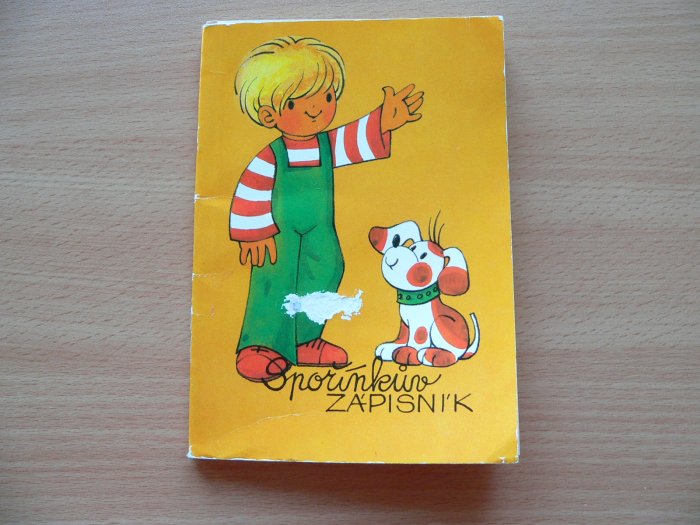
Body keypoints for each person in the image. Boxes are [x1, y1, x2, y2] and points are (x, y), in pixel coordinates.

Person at [230, 36, 423, 382]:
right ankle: (260, 345)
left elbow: (355, 138)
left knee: (327, 270)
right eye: (297, 102)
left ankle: (303, 340)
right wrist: (253, 233)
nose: (317, 108)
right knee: (275, 280)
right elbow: (250, 189)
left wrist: (383, 121)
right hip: (277, 232)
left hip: (320, 229)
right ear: (270, 115)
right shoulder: (270, 156)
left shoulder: (326, 143)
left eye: (327, 97)